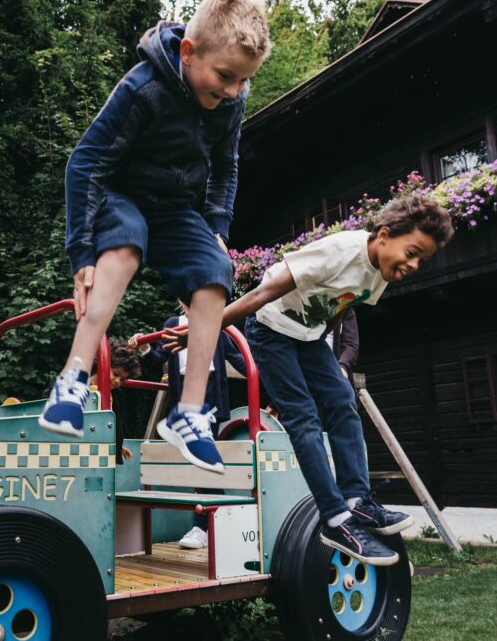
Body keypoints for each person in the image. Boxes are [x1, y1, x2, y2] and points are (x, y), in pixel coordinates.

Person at [38, 0, 272, 476]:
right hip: (119, 195)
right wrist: (81, 253)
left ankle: (188, 414)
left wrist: (215, 228)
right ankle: (73, 378)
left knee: (215, 271)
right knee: (124, 245)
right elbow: (84, 163)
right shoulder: (144, 86)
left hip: (174, 209)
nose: (232, 91)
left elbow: (225, 167)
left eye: (243, 81)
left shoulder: (231, 102)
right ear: (188, 53)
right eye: (225, 77)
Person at [166, 194, 454, 565]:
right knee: (303, 416)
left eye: (422, 260)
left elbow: (342, 306)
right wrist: (202, 329)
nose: (413, 265)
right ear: (384, 234)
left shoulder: (380, 274)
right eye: (412, 252)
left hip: (308, 337)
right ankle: (335, 518)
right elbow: (261, 293)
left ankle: (357, 500)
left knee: (342, 400)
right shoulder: (341, 250)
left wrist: (327, 361)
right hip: (269, 327)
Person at [128, 305, 248, 548]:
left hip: (209, 392)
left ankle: (205, 525)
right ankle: (216, 520)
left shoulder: (217, 320)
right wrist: (144, 347)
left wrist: (268, 372)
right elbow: (159, 357)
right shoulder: (173, 322)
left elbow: (239, 359)